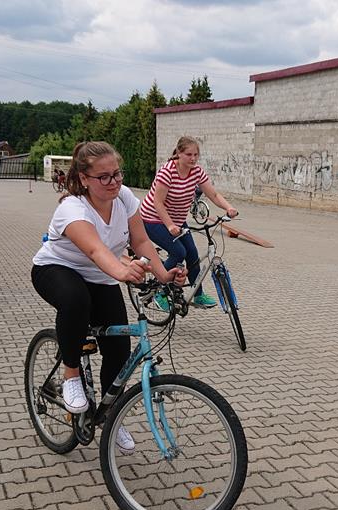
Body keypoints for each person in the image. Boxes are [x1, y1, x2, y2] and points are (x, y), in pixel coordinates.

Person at [31, 141, 185, 452]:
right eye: (104, 177)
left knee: (119, 349)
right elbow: (94, 249)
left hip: (102, 275)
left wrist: (163, 274)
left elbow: (140, 241)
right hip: (57, 269)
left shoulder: (124, 197)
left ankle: (110, 415)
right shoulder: (72, 208)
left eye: (117, 174)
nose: (113, 182)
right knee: (76, 300)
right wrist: (122, 271)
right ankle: (71, 376)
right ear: (84, 178)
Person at [140, 136, 237, 309]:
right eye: (188, 154)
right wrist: (170, 225)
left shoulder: (196, 172)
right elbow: (158, 203)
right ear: (179, 153)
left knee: (192, 253)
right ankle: (159, 290)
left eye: (196, 155)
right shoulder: (167, 172)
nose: (193, 159)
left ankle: (198, 295)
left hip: (177, 221)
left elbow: (213, 194)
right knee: (179, 252)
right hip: (153, 219)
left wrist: (228, 208)